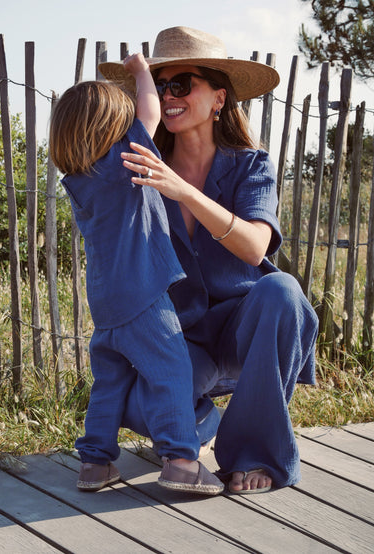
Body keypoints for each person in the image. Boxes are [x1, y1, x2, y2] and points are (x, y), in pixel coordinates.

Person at [99, 26, 319, 494]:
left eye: (182, 84)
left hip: (245, 327)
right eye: (161, 86)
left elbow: (257, 247)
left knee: (283, 291)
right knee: (132, 406)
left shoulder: (250, 164)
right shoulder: (141, 162)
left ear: (218, 98)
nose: (169, 95)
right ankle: (199, 426)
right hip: (181, 340)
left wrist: (181, 192)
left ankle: (253, 453)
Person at [49, 52, 224, 495]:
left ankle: (95, 464)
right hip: (143, 298)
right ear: (112, 129)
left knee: (110, 382)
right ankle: (182, 461)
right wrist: (141, 71)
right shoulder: (124, 162)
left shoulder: (79, 179)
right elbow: (149, 110)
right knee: (171, 372)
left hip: (106, 308)